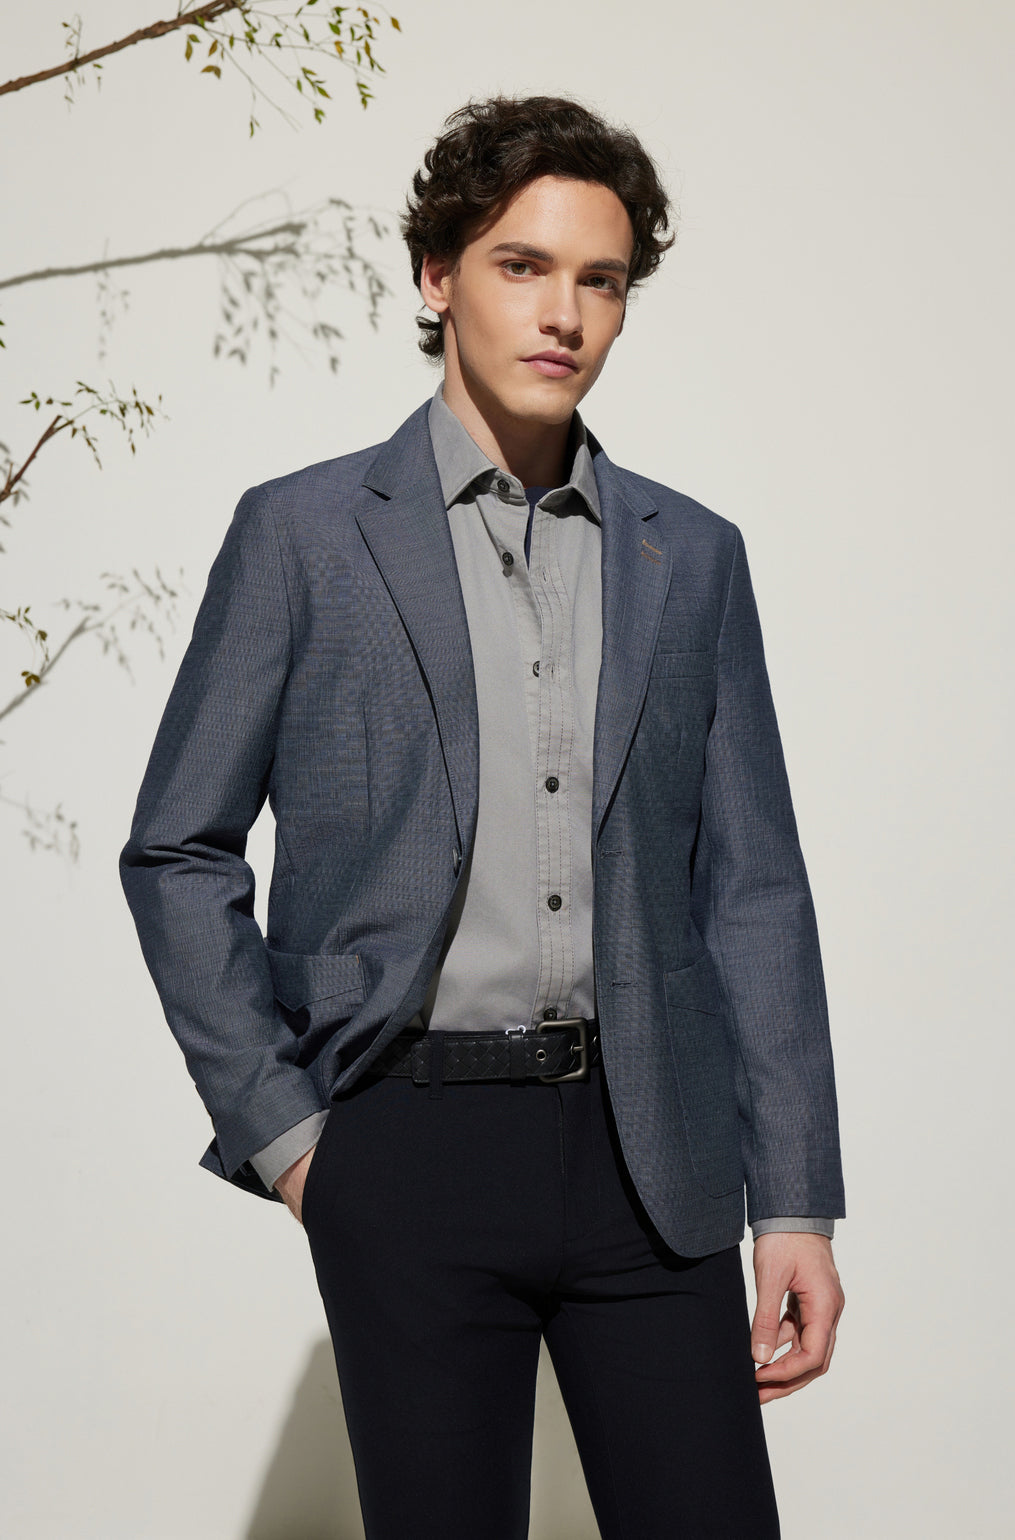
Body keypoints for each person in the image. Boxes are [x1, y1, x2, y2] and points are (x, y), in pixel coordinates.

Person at [119, 94, 845, 1539]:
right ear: (439, 274)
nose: (564, 313)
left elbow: (753, 887)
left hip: (653, 1154)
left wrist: (797, 1202)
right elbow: (177, 849)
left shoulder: (692, 555)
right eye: (523, 265)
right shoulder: (304, 535)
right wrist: (292, 1139)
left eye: (601, 279)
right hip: (406, 1145)